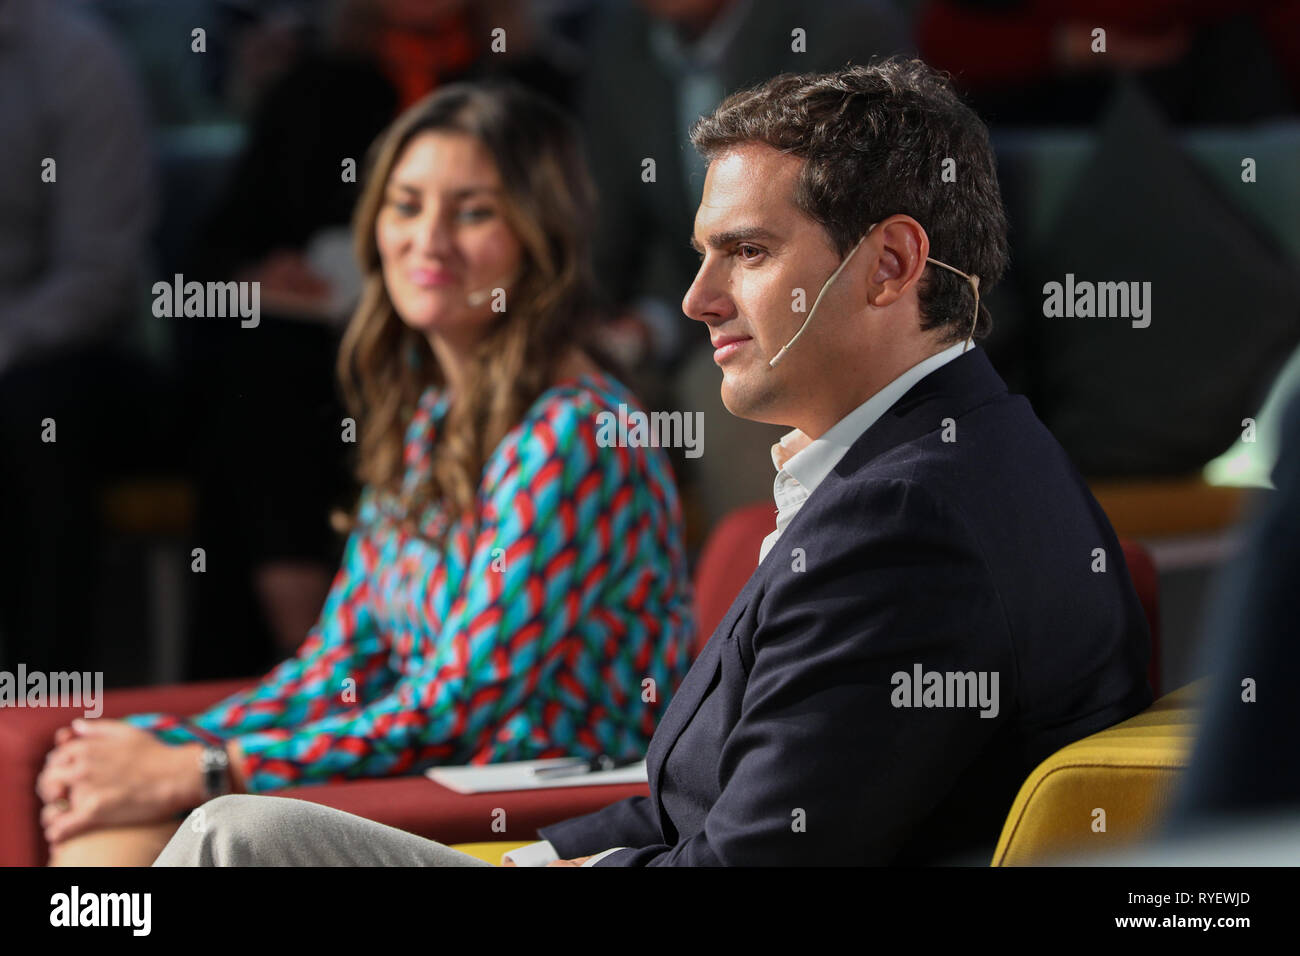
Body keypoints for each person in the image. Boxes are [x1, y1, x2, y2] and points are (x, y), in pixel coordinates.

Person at [153, 59, 1153, 867]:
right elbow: (694, 803)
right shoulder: (946, 455)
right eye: (702, 253)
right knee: (240, 833)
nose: (696, 298)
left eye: (748, 252)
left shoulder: (907, 523)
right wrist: (544, 858)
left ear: (890, 265)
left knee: (233, 840)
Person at [36, 82, 695, 867]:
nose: (429, 239)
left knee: (132, 835)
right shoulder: (430, 420)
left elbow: (456, 706)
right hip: (433, 774)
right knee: (110, 815)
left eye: (474, 211)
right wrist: (158, 746)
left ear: (542, 234)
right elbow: (339, 664)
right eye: (406, 204)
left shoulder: (578, 431)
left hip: (539, 815)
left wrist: (200, 767)